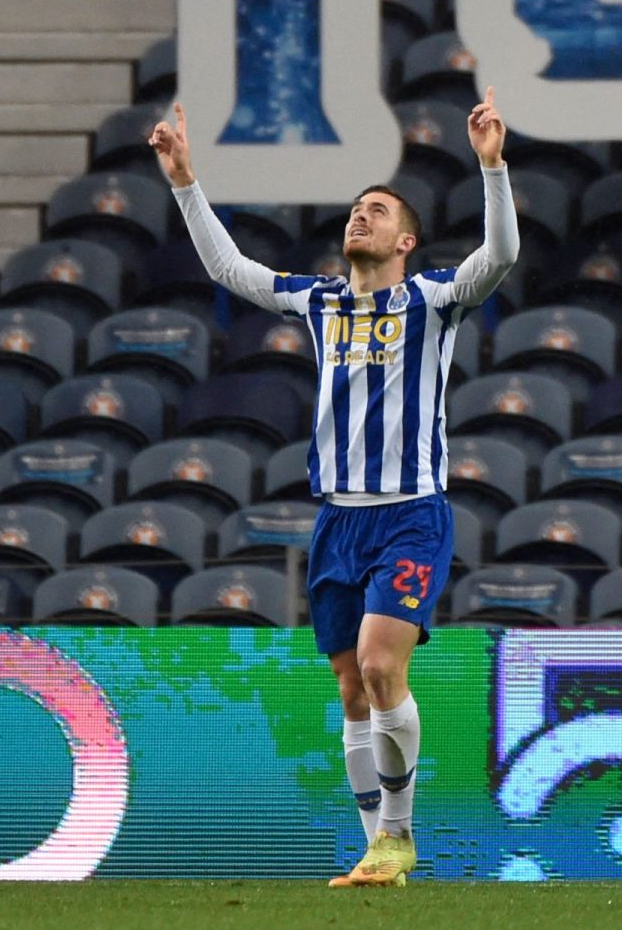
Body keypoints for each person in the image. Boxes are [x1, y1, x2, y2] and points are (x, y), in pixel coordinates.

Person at [149, 92, 519, 888]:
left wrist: (492, 168)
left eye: (377, 210)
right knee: (352, 686)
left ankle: (399, 835)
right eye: (355, 208)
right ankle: (376, 853)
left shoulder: (433, 298)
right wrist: (185, 181)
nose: (360, 216)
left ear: (406, 240)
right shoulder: (320, 302)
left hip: (411, 516)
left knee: (384, 665)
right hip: (336, 522)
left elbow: (501, 258)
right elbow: (227, 268)